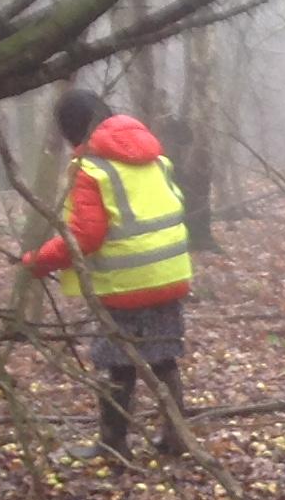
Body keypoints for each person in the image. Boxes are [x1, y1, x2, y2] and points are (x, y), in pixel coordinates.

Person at [19, 86, 195, 463]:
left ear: (72, 128)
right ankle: (177, 438)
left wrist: (38, 261)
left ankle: (113, 443)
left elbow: (84, 236)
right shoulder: (155, 159)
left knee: (115, 360)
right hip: (170, 274)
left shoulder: (91, 169)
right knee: (163, 355)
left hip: (124, 283)